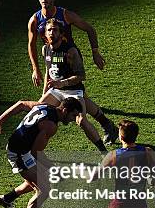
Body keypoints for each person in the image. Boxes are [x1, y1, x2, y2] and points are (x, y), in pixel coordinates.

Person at [27, 0, 117, 144]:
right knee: (79, 97)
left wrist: (95, 52)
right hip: (52, 58)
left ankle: (106, 127)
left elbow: (89, 28)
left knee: (76, 94)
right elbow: (31, 44)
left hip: (70, 58)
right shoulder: (35, 20)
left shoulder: (65, 14)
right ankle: (107, 125)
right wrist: (35, 69)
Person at [0, 98, 83, 208]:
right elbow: (37, 153)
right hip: (20, 154)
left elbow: (21, 104)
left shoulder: (46, 107)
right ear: (65, 110)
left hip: (21, 150)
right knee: (44, 190)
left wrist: (0, 119)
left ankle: (7, 198)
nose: (74, 120)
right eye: (73, 115)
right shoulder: (51, 126)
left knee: (42, 178)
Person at [37, 18, 109, 153]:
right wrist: (44, 92)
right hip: (56, 90)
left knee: (82, 121)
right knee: (37, 111)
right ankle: (32, 149)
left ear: (61, 33)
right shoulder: (45, 49)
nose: (52, 33)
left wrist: (62, 82)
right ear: (45, 34)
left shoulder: (71, 51)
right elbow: (48, 71)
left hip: (73, 91)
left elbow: (81, 76)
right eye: (49, 30)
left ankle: (103, 152)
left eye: (55, 30)